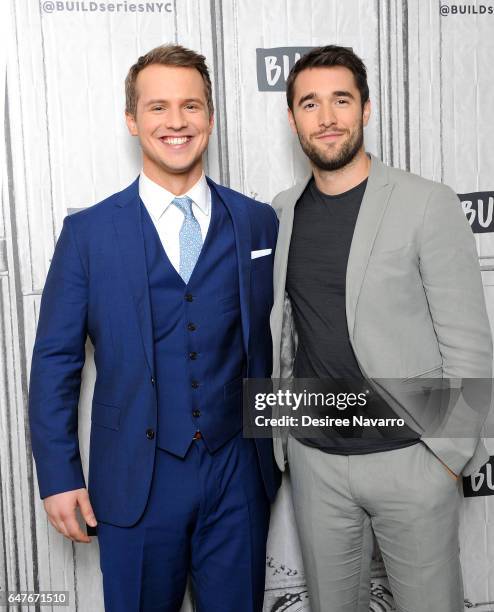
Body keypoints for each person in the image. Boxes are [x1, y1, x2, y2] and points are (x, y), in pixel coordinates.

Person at [29, 43, 280, 612]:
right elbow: (55, 363)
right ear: (132, 120)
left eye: (191, 106)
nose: (176, 122)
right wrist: (58, 474)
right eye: (158, 107)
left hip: (238, 475)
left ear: (210, 119)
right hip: (135, 480)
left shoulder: (257, 220)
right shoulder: (88, 234)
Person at [269, 45, 492, 612]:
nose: (327, 118)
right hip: (316, 463)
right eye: (310, 104)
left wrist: (449, 457)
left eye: (341, 100)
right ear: (293, 117)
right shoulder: (280, 212)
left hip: (411, 459)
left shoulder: (427, 203)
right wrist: (288, 442)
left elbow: (468, 342)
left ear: (366, 109)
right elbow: (286, 336)